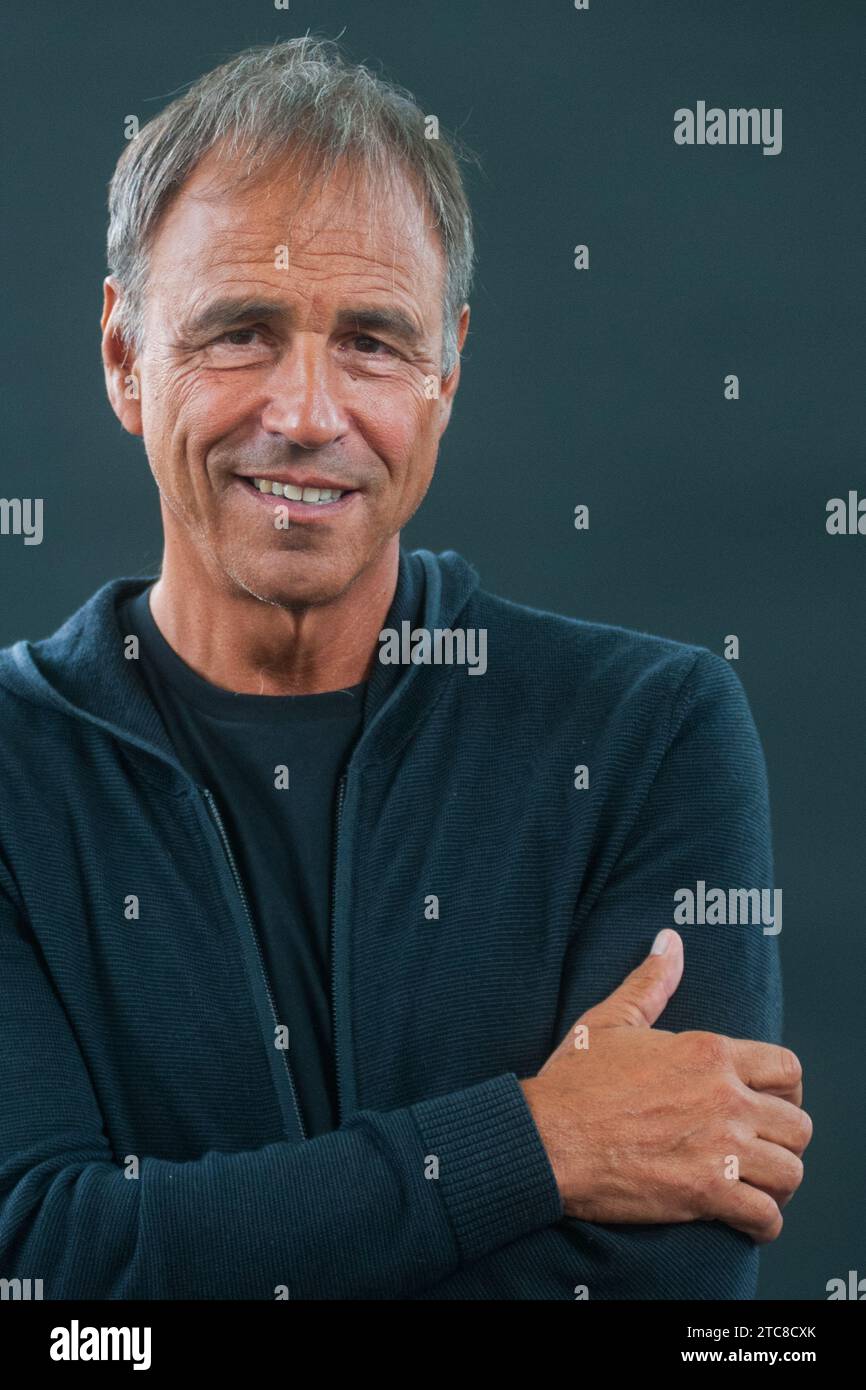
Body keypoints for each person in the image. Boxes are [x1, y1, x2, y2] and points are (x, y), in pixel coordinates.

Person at [0, 36, 810, 1300]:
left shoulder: (650, 733)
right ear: (122, 355)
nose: (309, 411)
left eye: (373, 340)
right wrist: (535, 1144)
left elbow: (663, 1303)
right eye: (241, 331)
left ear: (445, 372)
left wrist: (177, 1249)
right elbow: (42, 1274)